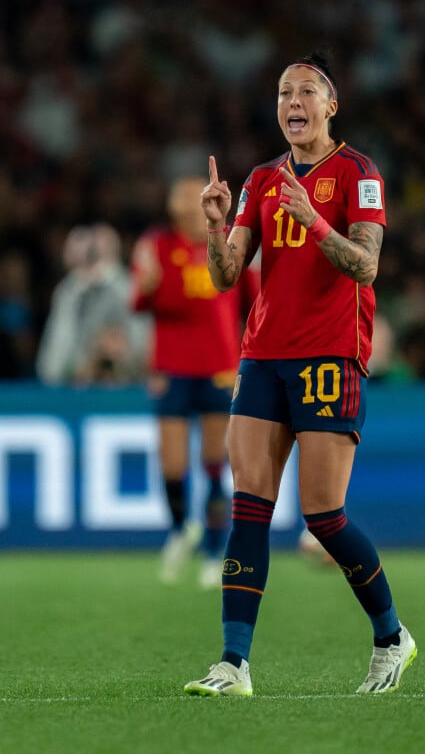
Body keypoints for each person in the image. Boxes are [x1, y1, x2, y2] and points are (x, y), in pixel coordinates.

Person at [184, 53, 417, 697]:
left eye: (306, 90)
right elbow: (227, 275)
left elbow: (366, 266)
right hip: (262, 355)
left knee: (324, 517)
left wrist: (314, 221)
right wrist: (213, 225)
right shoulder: (260, 179)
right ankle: (234, 664)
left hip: (329, 356)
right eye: (284, 91)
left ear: (330, 105)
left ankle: (391, 636)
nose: (293, 100)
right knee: (249, 506)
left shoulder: (358, 174)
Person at [130, 175, 258, 589]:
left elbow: (254, 298)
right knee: (172, 464)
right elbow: (139, 302)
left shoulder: (226, 243)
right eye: (181, 193)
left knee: (215, 464)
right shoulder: (157, 246)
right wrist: (146, 286)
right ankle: (181, 528)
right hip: (170, 367)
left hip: (219, 366)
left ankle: (212, 550)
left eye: (192, 193)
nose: (186, 200)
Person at [37, 223, 149, 385]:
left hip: (129, 390)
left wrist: (120, 354)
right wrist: (86, 360)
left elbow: (145, 356)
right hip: (75, 392)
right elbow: (51, 369)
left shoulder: (130, 289)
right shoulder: (69, 292)